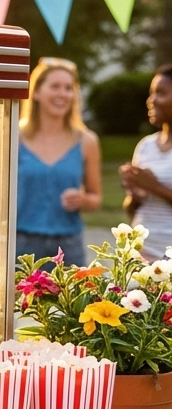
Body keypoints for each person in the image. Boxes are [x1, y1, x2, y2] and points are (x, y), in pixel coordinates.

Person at [16, 57, 101, 266]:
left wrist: (82, 200)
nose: (63, 94)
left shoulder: (87, 141)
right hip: (21, 245)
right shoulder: (14, 138)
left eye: (68, 88)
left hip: (68, 246)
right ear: (36, 92)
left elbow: (96, 198)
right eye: (55, 86)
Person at [119, 65, 172, 261]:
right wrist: (135, 194)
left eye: (160, 93)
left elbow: (154, 188)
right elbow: (132, 209)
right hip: (143, 255)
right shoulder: (145, 146)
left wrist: (154, 186)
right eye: (151, 93)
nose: (151, 101)